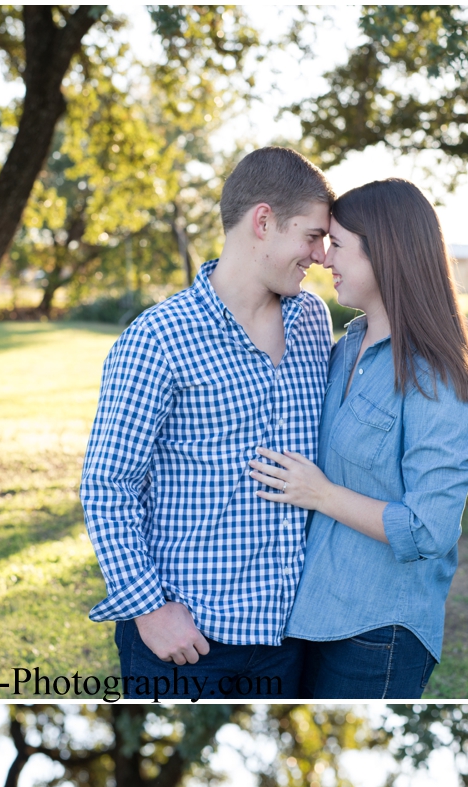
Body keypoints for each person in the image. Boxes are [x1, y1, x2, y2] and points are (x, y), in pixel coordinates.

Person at [80, 148, 335, 701]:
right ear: (263, 222)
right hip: (186, 643)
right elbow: (108, 484)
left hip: (287, 639)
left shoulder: (312, 320)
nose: (321, 254)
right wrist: (148, 609)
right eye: (312, 236)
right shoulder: (159, 338)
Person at [247, 180, 468, 698]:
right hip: (312, 614)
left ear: (386, 255)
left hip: (381, 630)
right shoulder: (347, 345)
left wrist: (322, 494)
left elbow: (429, 529)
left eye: (339, 246)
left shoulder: (435, 377)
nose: (325, 260)